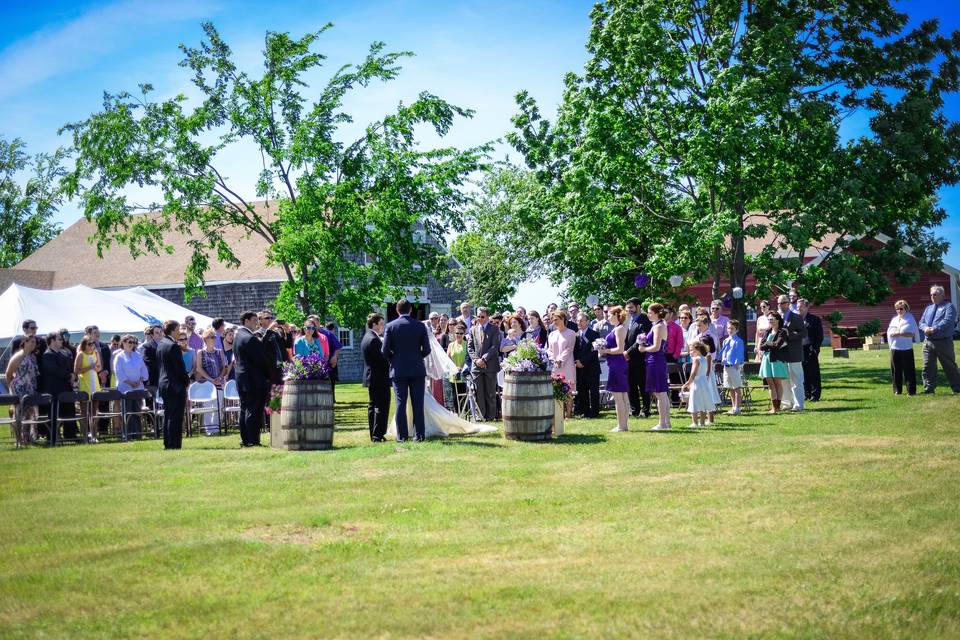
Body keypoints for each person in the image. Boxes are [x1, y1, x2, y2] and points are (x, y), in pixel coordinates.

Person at [382, 298, 432, 441]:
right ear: (411, 310)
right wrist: (418, 357)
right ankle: (419, 435)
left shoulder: (390, 326)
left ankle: (402, 436)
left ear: (397, 310)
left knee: (400, 403)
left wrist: (394, 359)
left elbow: (384, 350)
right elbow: (427, 350)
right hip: (417, 369)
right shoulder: (420, 326)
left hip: (398, 370)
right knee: (418, 403)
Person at [234, 311, 271, 447]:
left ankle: (245, 438)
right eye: (255, 320)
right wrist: (269, 375)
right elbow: (261, 361)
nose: (257, 323)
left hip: (242, 379)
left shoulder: (238, 336)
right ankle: (252, 440)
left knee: (245, 409)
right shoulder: (250, 338)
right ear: (246, 321)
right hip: (253, 380)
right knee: (253, 410)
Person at [918, 285, 960, 394]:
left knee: (949, 365)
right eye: (931, 294)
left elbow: (948, 321)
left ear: (942, 295)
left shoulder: (949, 307)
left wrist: (935, 329)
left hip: (943, 341)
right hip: (928, 342)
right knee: (927, 366)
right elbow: (921, 322)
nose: (932, 296)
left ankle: (957, 387)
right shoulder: (928, 308)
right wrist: (925, 328)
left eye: (934, 294)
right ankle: (929, 388)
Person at [638, 303, 671, 430]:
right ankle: (667, 422)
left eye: (650, 312)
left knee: (659, 393)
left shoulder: (659, 326)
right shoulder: (658, 324)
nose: (648, 314)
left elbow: (656, 347)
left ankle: (662, 423)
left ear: (657, 313)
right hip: (656, 360)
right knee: (661, 393)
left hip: (656, 360)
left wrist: (643, 348)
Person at [158, 320, 190, 449]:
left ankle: (168, 442)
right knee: (176, 417)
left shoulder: (161, 344)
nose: (179, 332)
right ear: (172, 330)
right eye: (177, 330)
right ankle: (174, 444)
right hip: (174, 386)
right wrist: (186, 381)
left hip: (164, 384)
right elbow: (179, 368)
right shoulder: (173, 346)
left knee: (168, 415)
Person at [40, 332, 78, 443]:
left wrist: (72, 375)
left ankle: (70, 436)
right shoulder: (47, 355)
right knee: (54, 415)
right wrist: (68, 376)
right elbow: (54, 370)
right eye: (60, 339)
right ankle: (53, 437)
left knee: (69, 412)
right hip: (54, 390)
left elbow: (69, 367)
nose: (62, 341)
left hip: (66, 388)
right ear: (52, 340)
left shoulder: (64, 353)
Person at [465, 306, 501, 423]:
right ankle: (481, 416)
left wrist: (484, 360)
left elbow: (495, 347)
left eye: (482, 316)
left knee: (490, 392)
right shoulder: (473, 329)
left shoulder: (494, 329)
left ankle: (490, 416)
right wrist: (477, 360)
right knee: (478, 392)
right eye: (478, 316)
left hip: (490, 365)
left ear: (487, 316)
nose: (480, 318)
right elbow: (470, 348)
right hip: (477, 367)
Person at [599, 305, 630, 432]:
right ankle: (623, 425)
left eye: (610, 314)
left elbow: (620, 349)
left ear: (617, 315)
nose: (608, 316)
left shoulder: (619, 329)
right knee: (622, 396)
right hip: (616, 363)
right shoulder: (617, 328)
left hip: (617, 364)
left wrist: (604, 350)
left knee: (619, 396)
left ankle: (622, 426)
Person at [361, 313, 391, 442]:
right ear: (374, 324)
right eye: (381, 324)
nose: (383, 326)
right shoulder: (373, 339)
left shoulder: (368, 336)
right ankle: (378, 435)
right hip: (378, 377)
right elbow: (382, 360)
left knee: (373, 406)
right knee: (381, 406)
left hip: (373, 376)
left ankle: (374, 434)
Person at [5, 335, 39, 446]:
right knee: (18, 415)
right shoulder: (18, 356)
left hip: (30, 389)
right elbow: (8, 374)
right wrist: (12, 387)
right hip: (18, 389)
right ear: (24, 342)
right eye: (31, 342)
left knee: (29, 414)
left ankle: (27, 438)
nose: (33, 344)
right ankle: (18, 440)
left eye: (34, 342)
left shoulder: (32, 357)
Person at [112, 334, 149, 438]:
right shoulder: (119, 356)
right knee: (127, 411)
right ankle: (128, 434)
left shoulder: (137, 355)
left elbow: (143, 369)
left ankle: (138, 434)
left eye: (133, 342)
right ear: (123, 343)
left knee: (137, 411)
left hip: (138, 387)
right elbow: (119, 372)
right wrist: (130, 383)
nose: (131, 344)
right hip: (125, 388)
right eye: (129, 342)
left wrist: (140, 380)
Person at [776, 294, 807, 411]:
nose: (780, 305)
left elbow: (804, 334)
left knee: (796, 380)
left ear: (788, 303)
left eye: (783, 303)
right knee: (784, 380)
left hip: (794, 353)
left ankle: (798, 404)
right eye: (778, 303)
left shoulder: (796, 317)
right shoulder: (777, 318)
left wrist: (791, 335)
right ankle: (787, 403)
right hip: (781, 354)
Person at [195, 328, 228, 435]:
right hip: (207, 383)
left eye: (214, 337)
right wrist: (211, 380)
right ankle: (209, 430)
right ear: (205, 339)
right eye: (211, 337)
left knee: (219, 406)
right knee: (208, 407)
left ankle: (216, 428)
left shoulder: (219, 352)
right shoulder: (201, 352)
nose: (213, 339)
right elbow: (199, 368)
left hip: (219, 382)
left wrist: (219, 377)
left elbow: (224, 367)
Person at [624, 297, 652, 418]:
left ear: (638, 306)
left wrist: (628, 352)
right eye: (627, 307)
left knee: (643, 385)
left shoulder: (644, 320)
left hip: (640, 358)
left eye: (631, 307)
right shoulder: (629, 320)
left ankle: (646, 410)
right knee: (631, 385)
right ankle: (634, 410)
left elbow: (641, 339)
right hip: (629, 359)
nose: (628, 310)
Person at [548, 310, 577, 424]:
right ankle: (558, 414)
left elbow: (569, 348)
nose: (554, 322)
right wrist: (554, 359)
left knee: (568, 390)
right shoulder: (551, 334)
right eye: (553, 320)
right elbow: (549, 350)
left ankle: (569, 414)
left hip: (567, 364)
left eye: (557, 319)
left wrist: (561, 359)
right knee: (556, 389)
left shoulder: (571, 333)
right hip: (555, 365)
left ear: (563, 319)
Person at [758, 311, 789, 413]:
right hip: (767, 359)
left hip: (777, 359)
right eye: (769, 319)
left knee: (777, 383)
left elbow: (778, 344)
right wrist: (769, 344)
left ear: (777, 320)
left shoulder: (782, 332)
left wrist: (768, 343)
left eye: (771, 319)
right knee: (770, 384)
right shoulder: (767, 331)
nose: (770, 321)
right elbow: (762, 346)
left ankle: (777, 407)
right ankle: (773, 407)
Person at [887, 300, 919, 395]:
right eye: (897, 309)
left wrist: (899, 333)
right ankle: (897, 390)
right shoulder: (894, 319)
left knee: (908, 370)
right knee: (896, 370)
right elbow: (889, 331)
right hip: (894, 347)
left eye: (901, 309)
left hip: (906, 348)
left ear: (906, 308)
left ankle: (911, 391)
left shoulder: (910, 318)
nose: (899, 311)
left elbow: (911, 334)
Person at [74, 336, 102, 443]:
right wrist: (90, 367)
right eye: (89, 344)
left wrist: (95, 367)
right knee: (84, 412)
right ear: (84, 345)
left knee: (95, 412)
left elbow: (99, 368)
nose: (91, 346)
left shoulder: (96, 353)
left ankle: (94, 435)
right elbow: (76, 371)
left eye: (92, 344)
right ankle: (85, 435)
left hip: (95, 384)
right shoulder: (81, 354)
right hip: (85, 385)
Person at [574, 313, 600, 418]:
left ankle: (594, 412)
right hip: (579, 369)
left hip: (592, 368)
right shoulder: (575, 335)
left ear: (587, 321)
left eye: (581, 320)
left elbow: (594, 351)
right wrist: (577, 362)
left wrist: (583, 362)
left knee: (593, 391)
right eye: (577, 321)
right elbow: (573, 351)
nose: (579, 323)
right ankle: (585, 411)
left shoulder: (594, 334)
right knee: (582, 391)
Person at [682, 341, 714, 428]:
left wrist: (688, 384)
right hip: (704, 382)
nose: (690, 352)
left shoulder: (696, 360)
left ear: (698, 350)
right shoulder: (704, 358)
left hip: (697, 383)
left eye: (692, 350)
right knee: (703, 402)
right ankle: (702, 423)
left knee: (694, 402)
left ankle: (695, 423)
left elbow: (693, 373)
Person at [719, 319, 745, 415]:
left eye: (732, 328)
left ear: (736, 330)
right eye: (728, 328)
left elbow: (739, 354)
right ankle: (733, 407)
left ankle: (738, 408)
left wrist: (737, 364)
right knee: (730, 387)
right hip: (726, 366)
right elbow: (724, 353)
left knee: (736, 387)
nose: (729, 330)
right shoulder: (726, 340)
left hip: (734, 366)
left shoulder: (738, 341)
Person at [799, 299, 824, 402]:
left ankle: (815, 394)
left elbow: (819, 336)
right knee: (803, 372)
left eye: (801, 307)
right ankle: (806, 393)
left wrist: (815, 349)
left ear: (806, 307)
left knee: (813, 372)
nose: (799, 308)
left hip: (810, 349)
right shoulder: (797, 319)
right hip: (800, 349)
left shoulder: (814, 319)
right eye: (797, 307)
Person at [446, 321, 468, 412]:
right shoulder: (451, 345)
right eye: (457, 333)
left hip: (463, 373)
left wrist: (461, 368)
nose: (459, 335)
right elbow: (448, 358)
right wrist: (455, 368)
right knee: (455, 395)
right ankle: (457, 413)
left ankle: (465, 413)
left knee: (463, 394)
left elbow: (467, 357)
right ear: (454, 334)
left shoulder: (466, 344)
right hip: (454, 373)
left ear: (464, 334)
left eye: (461, 333)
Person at [138, 324, 162, 389]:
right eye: (157, 333)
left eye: (161, 332)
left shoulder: (167, 345)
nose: (160, 334)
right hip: (154, 380)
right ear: (152, 335)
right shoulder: (147, 346)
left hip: (166, 380)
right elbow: (149, 363)